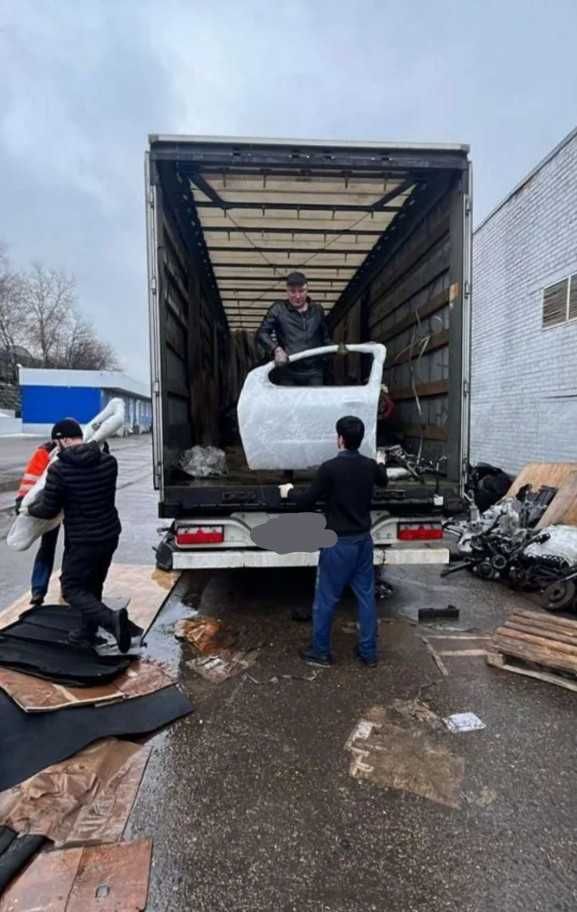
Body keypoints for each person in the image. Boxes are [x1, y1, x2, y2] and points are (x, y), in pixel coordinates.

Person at [280, 416, 389, 667]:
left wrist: (289, 493)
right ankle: (368, 653)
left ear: (339, 439)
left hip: (338, 545)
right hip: (363, 542)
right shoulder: (369, 466)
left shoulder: (330, 468)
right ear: (359, 440)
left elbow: (306, 502)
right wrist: (382, 463)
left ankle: (320, 652)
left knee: (326, 599)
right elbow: (383, 479)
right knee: (365, 597)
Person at [27, 418, 131, 652]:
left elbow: (48, 510)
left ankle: (110, 620)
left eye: (57, 443)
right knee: (93, 585)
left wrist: (27, 509)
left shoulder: (59, 469)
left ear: (63, 440)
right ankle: (87, 633)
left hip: (83, 540)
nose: (56, 449)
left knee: (72, 587)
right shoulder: (108, 462)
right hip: (109, 535)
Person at [256, 271, 331, 386]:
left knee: (314, 403)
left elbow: (325, 338)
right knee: (289, 404)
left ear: (307, 290)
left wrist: (337, 349)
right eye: (292, 291)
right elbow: (262, 333)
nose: (297, 296)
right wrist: (276, 350)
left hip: (314, 372)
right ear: (287, 291)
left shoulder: (317, 310)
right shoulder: (278, 309)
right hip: (288, 371)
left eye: (301, 291)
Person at [15, 432, 61, 607]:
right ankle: (38, 590)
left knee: (73, 549)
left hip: (70, 506)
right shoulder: (44, 452)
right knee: (47, 547)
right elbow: (32, 477)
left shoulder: (74, 450)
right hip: (49, 506)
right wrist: (22, 499)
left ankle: (69, 588)